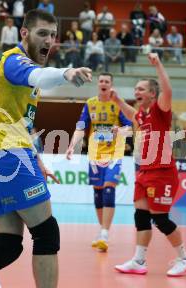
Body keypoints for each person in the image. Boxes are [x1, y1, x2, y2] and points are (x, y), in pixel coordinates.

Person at [0, 9, 92, 288]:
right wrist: (67, 72)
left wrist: (37, 160)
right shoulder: (15, 61)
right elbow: (41, 77)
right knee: (47, 233)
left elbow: (13, 123)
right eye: (42, 33)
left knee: (8, 245)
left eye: (53, 35)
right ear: (24, 33)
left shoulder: (10, 68)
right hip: (9, 157)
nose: (49, 40)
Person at [112, 53, 186, 276]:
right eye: (135, 89)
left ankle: (184, 258)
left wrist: (158, 64)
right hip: (144, 172)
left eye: (141, 89)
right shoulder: (142, 116)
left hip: (163, 172)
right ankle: (138, 261)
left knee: (160, 218)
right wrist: (116, 100)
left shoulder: (160, 111)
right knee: (140, 216)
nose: (136, 92)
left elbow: (167, 91)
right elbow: (132, 115)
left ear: (152, 94)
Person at [66, 72, 132, 252]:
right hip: (95, 154)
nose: (103, 83)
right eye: (101, 81)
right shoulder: (90, 104)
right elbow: (81, 126)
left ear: (111, 85)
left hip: (114, 153)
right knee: (98, 192)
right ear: (98, 84)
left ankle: (104, 233)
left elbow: (131, 128)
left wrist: (121, 130)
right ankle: (102, 230)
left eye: (107, 81)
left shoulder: (117, 105)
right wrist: (73, 145)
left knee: (109, 187)